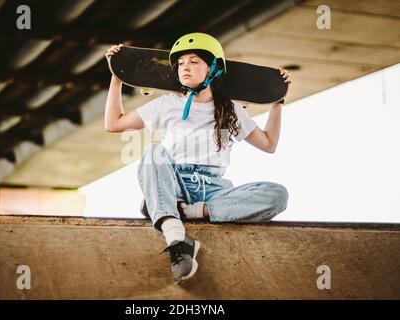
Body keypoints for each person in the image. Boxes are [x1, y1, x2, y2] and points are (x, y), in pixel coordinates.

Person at [104, 32, 292, 284]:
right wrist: (117, 79)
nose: (185, 68)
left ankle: (186, 211)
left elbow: (269, 144)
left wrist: (276, 103)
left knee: (277, 194)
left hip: (215, 191)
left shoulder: (231, 109)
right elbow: (114, 124)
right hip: (176, 183)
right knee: (152, 153)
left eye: (193, 61)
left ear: (213, 67)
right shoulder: (167, 103)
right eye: (181, 63)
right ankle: (177, 238)